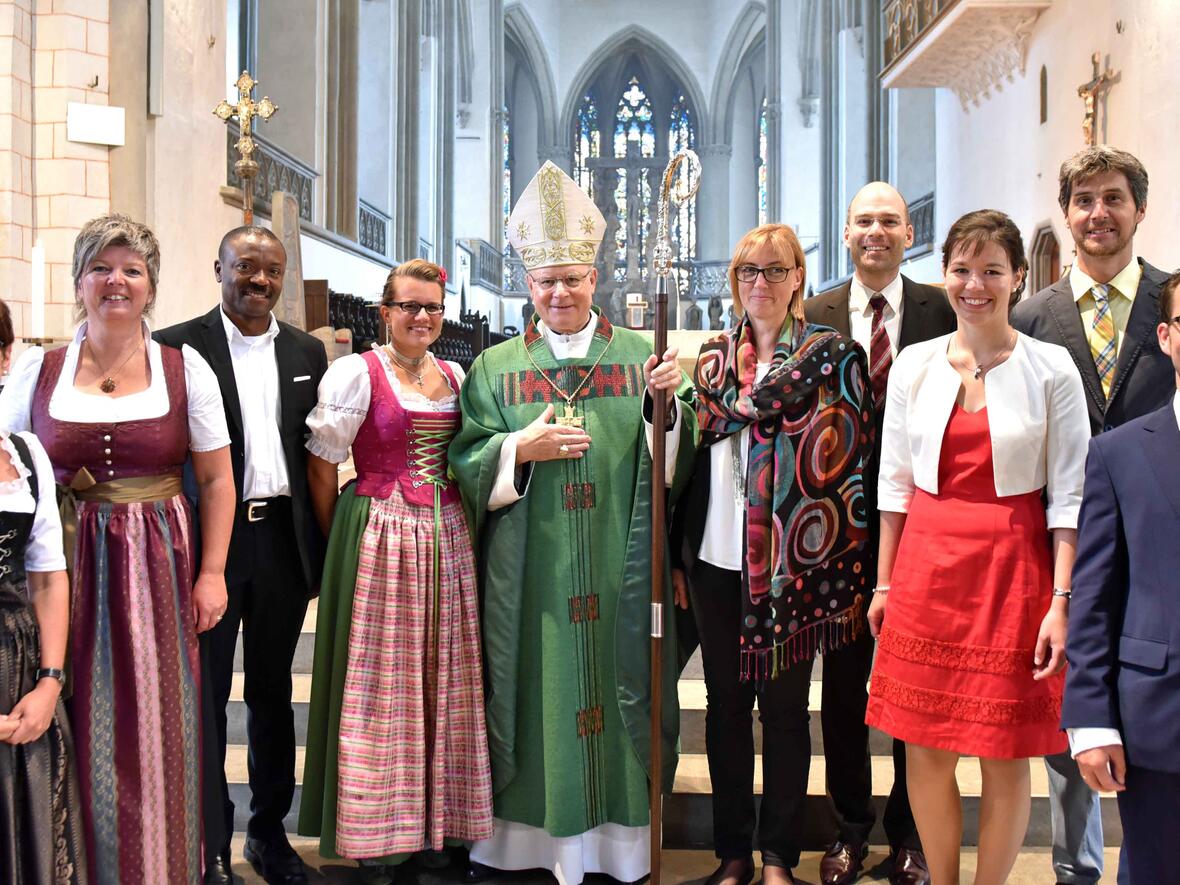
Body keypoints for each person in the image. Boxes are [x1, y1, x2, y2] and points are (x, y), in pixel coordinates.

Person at [449, 161, 696, 885]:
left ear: (595, 279)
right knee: (535, 698)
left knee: (624, 698)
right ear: (529, 286)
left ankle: (617, 850)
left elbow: (673, 457)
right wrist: (515, 449)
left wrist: (664, 406)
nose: (560, 292)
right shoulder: (495, 367)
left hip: (619, 575)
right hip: (534, 585)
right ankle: (527, 845)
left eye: (573, 278)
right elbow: (466, 458)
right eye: (546, 281)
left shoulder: (638, 358)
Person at [0, 214, 236, 885]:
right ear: (79, 282)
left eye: (131, 269)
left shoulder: (182, 368)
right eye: (102, 267)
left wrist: (212, 571)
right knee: (69, 718)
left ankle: (158, 866)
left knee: (157, 730)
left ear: (151, 285)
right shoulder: (37, 373)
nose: (116, 281)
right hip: (60, 567)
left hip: (157, 568)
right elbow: (10, 475)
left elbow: (217, 478)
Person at [865, 210, 1090, 885]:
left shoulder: (1052, 369)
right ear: (945, 274)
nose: (975, 284)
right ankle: (942, 877)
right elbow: (894, 487)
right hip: (927, 572)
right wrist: (883, 584)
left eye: (992, 270)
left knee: (1003, 749)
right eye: (962, 269)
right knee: (926, 749)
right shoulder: (914, 363)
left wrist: (1060, 600)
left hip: (1013, 571)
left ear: (1018, 277)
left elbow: (1070, 498)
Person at [671, 223, 873, 885]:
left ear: (798, 281)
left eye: (775, 270)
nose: (760, 282)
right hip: (715, 556)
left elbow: (848, 463)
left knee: (786, 711)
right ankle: (734, 852)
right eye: (748, 271)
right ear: (735, 282)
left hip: (795, 564)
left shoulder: (831, 356)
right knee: (726, 707)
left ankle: (778, 854)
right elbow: (687, 460)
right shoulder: (707, 361)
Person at [299, 259, 493, 884]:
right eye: (409, 306)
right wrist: (346, 539)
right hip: (380, 532)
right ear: (385, 312)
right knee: (384, 686)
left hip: (449, 537)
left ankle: (438, 829)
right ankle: (376, 832)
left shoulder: (457, 374)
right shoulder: (356, 372)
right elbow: (324, 466)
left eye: (433, 307)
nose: (422, 317)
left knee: (444, 677)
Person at [1010, 145, 1174, 885]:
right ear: (1065, 212)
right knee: (1069, 703)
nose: (1098, 213)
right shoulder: (1029, 317)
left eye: (1113, 198)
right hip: (1062, 536)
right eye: (1083, 199)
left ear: (1140, 208)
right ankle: (1076, 866)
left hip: (1161, 531)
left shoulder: (1174, 300)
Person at [155, 226, 328, 885]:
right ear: (218, 267)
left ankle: (268, 832)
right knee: (205, 695)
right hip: (211, 543)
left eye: (271, 270)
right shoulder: (175, 345)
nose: (259, 280)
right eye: (246, 267)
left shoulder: (309, 349)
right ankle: (209, 840)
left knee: (272, 692)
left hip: (282, 538)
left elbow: (315, 453)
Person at [804, 182, 956, 885]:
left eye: (888, 221)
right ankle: (848, 829)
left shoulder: (941, 308)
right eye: (863, 220)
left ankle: (912, 833)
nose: (876, 231)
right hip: (834, 536)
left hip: (920, 529)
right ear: (845, 232)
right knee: (841, 692)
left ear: (907, 232)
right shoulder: (815, 313)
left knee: (917, 691)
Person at [1062, 271, 1180, 885]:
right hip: (1161, 712)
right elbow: (1097, 598)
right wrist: (1090, 719)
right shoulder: (1121, 452)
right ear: (1166, 336)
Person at [0, 298, 89, 885]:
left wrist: (49, 683)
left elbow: (49, 574)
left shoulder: (26, 454)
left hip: (17, 664)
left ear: (4, 356)